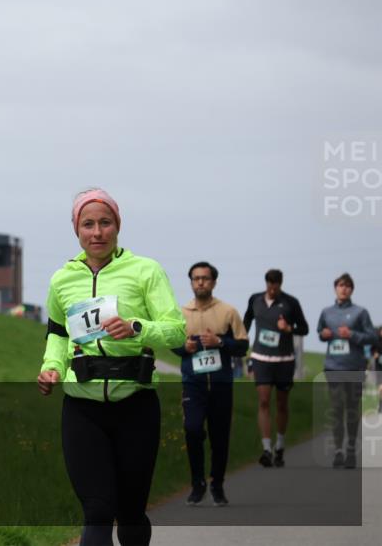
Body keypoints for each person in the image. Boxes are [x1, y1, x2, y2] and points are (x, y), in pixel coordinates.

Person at [37, 188, 186, 546]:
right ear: (77, 231)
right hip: (81, 406)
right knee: (98, 510)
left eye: (105, 223)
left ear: (118, 226)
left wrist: (138, 327)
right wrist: (51, 367)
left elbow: (177, 331)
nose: (97, 232)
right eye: (88, 224)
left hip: (135, 403)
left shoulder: (145, 271)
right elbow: (57, 334)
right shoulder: (62, 279)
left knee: (131, 511)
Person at [172, 261, 248, 506]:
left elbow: (243, 345)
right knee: (193, 430)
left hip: (220, 384)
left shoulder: (228, 311)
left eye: (205, 278)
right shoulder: (181, 313)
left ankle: (217, 485)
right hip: (193, 383)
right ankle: (197, 484)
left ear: (214, 282)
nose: (200, 282)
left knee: (219, 436)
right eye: (196, 278)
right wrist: (185, 347)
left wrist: (221, 342)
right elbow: (171, 342)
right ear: (191, 282)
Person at [243, 269, 309, 468]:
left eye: (276, 284)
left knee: (281, 403)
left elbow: (304, 328)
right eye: (270, 284)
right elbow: (246, 322)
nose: (272, 288)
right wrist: (239, 339)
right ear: (266, 283)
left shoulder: (291, 302)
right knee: (263, 401)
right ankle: (266, 448)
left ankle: (280, 444)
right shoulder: (255, 299)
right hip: (261, 358)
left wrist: (289, 329)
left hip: (284, 360)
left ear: (281, 284)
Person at [317, 272, 376, 468]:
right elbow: (320, 332)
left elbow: (372, 338)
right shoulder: (326, 312)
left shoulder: (361, 312)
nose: (344, 289)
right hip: (333, 366)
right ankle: (338, 451)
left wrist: (351, 334)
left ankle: (351, 449)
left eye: (348, 286)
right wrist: (324, 335)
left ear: (352, 290)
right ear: (335, 288)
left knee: (351, 409)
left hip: (354, 366)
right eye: (341, 285)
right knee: (336, 409)